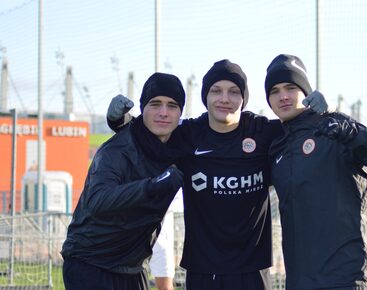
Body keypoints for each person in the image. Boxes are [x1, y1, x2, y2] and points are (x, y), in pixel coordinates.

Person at [107, 59, 328, 290]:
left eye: (233, 92)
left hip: (252, 270)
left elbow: (302, 132)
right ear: (206, 97)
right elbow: (148, 137)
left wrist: (323, 113)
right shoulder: (188, 135)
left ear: (244, 98)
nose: (225, 99)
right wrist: (118, 120)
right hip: (203, 270)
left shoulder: (264, 132)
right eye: (216, 91)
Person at [264, 54, 367, 289]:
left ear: (306, 92)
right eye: (274, 91)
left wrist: (346, 127)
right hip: (300, 281)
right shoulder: (276, 145)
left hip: (346, 279)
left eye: (291, 87)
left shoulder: (333, 127)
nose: (283, 96)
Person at [61, 72, 186, 290]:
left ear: (180, 113)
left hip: (131, 267)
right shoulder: (117, 150)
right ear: (143, 108)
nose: (163, 113)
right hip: (91, 263)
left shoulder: (180, 142)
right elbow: (98, 200)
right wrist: (151, 186)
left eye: (172, 106)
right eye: (155, 104)